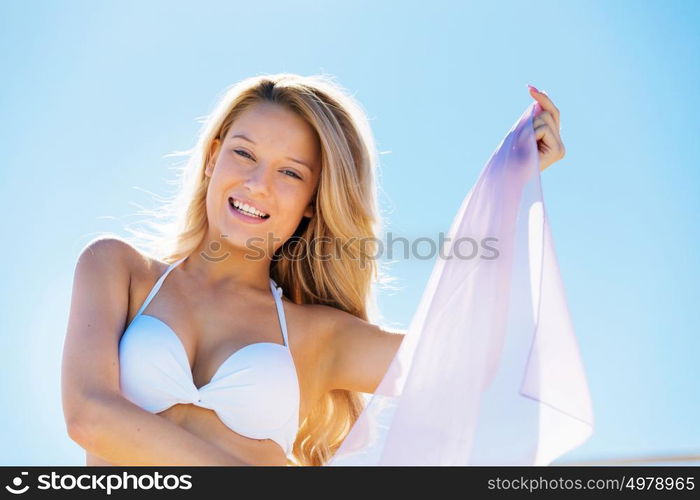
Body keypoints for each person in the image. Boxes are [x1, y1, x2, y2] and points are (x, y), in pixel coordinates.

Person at [62, 74, 587, 467]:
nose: (257, 184)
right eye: (244, 154)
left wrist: (514, 187)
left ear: (314, 201)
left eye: (290, 172)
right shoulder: (118, 270)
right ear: (212, 159)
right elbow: (88, 414)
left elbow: (471, 363)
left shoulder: (319, 336)